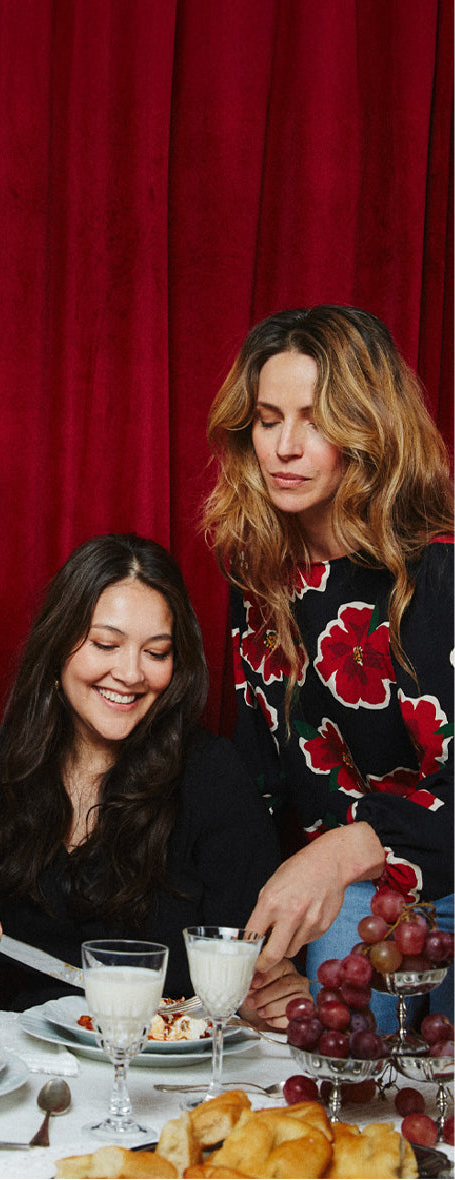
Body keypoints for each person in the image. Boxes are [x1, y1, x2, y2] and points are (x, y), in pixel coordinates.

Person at [0, 534, 304, 1026]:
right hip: (34, 1055)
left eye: (156, 653)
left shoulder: (214, 774)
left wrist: (268, 994)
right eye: (105, 645)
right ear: (59, 645)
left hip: (171, 1055)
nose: (131, 673)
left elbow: (254, 967)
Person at [203, 305, 453, 1021]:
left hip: (437, 880)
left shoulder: (438, 575)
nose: (284, 447)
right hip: (342, 896)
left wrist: (346, 849)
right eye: (267, 419)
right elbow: (256, 781)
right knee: (287, 1020)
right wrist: (250, 947)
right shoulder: (256, 573)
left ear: (370, 431)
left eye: (316, 422)